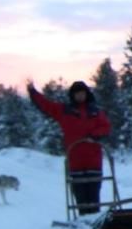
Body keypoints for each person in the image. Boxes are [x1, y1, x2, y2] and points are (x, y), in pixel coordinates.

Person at [28, 80, 112, 215]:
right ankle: (84, 218)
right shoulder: (64, 111)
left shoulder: (96, 111)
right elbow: (46, 106)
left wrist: (95, 135)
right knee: (80, 195)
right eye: (77, 93)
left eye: (82, 93)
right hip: (75, 160)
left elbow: (106, 127)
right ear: (72, 95)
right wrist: (33, 93)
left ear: (87, 94)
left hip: (94, 160)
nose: (80, 96)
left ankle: (95, 217)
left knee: (94, 194)